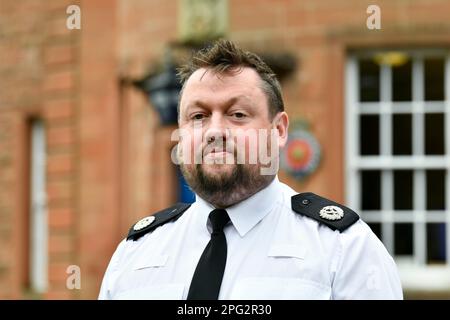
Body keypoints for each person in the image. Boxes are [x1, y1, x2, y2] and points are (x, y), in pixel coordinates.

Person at [98, 39, 403, 300]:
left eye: (238, 114)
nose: (215, 131)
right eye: (198, 116)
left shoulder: (343, 248)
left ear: (279, 130)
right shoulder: (136, 254)